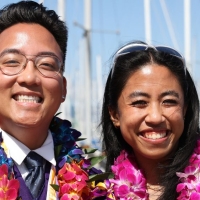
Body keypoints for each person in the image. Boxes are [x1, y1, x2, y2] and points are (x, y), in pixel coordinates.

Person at [0, 1, 105, 200]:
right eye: (12, 62)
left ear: (64, 88)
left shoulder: (94, 185)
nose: (29, 77)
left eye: (46, 64)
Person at [100, 41, 200, 199]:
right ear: (114, 115)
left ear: (185, 109)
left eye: (169, 101)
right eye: (139, 102)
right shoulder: (97, 192)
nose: (155, 117)